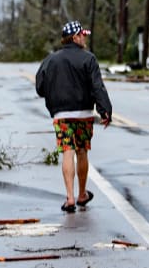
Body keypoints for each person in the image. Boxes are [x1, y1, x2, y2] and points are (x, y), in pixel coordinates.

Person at [35, 20, 113, 213]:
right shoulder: (89, 59)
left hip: (61, 115)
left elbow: (40, 87)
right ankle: (81, 194)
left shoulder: (50, 60)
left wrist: (54, 96)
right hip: (84, 114)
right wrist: (105, 110)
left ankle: (69, 198)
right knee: (82, 151)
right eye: (83, 35)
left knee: (67, 151)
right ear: (75, 37)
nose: (85, 38)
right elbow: (97, 87)